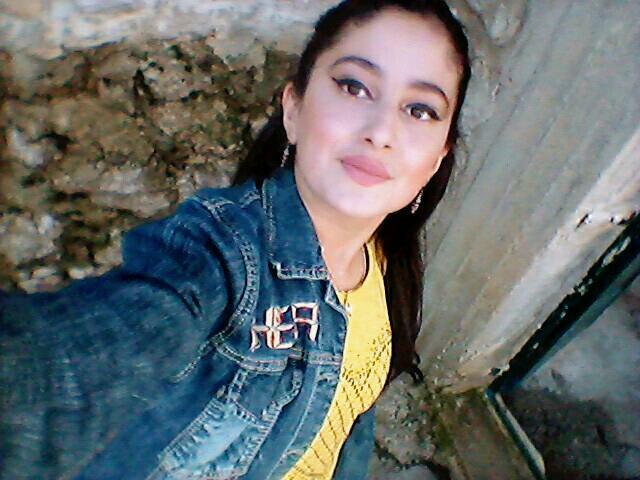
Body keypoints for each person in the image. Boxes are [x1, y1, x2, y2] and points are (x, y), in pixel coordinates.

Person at [0, 0, 471, 478]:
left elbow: (345, 420)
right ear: (294, 108)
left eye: (420, 110)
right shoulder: (221, 258)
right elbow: (72, 366)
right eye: (354, 86)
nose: (382, 132)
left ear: (438, 157)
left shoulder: (384, 260)